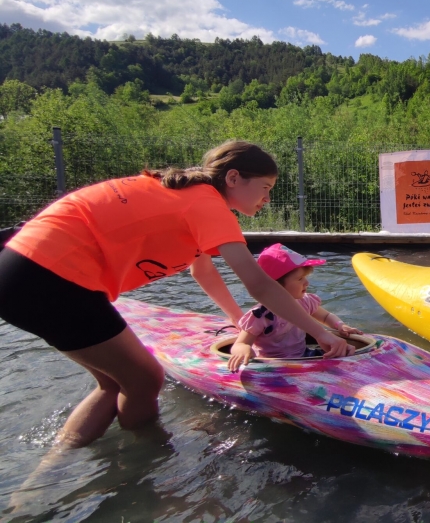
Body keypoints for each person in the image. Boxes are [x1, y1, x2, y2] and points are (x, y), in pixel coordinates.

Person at [0, 140, 354, 449]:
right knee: (145, 379)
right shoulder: (207, 205)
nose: (267, 197)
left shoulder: (187, 199)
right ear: (233, 178)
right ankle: (146, 460)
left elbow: (203, 271)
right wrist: (322, 333)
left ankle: (56, 462)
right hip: (50, 275)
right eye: (265, 186)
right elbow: (260, 284)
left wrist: (235, 320)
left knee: (114, 382)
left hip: (22, 273)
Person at [227, 244, 362, 372]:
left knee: (346, 353)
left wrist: (340, 325)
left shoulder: (305, 301)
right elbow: (239, 344)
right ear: (276, 285)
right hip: (272, 365)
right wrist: (243, 350)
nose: (307, 282)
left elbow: (326, 316)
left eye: (305, 277)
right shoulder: (260, 315)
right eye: (300, 279)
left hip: (303, 355)